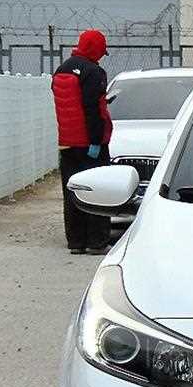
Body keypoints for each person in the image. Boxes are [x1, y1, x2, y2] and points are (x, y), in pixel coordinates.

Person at [51, 29, 113, 254]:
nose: (101, 56)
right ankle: (97, 242)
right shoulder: (93, 72)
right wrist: (96, 141)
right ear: (95, 49)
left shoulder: (62, 69)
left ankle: (76, 242)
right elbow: (92, 109)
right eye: (101, 51)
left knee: (73, 192)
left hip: (67, 142)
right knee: (97, 191)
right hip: (90, 144)